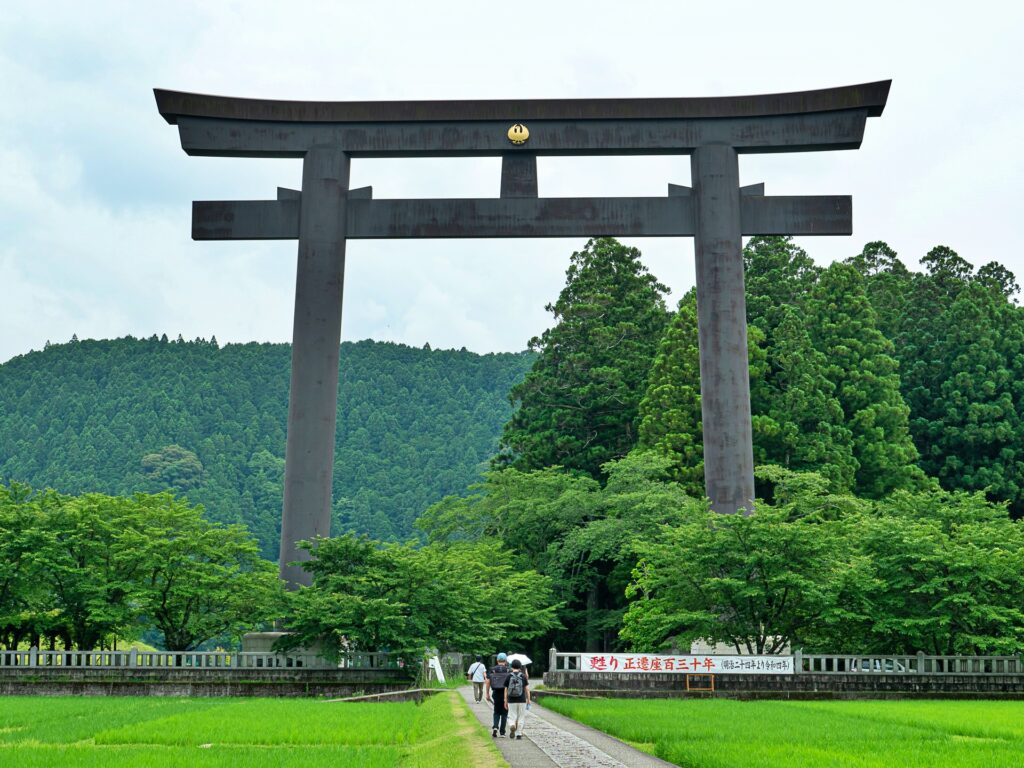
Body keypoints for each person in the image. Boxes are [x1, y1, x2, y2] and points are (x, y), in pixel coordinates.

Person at [484, 652, 511, 737]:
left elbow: (488, 682)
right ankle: (502, 732)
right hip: (506, 693)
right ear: (506, 660)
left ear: (497, 660)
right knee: (504, 712)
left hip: (495, 693)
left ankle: (495, 726)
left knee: (496, 711)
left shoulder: (492, 670)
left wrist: (487, 693)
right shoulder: (508, 670)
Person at [504, 658, 530, 740]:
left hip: (511, 700)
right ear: (520, 666)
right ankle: (519, 734)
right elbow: (527, 689)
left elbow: (506, 689)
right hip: (522, 699)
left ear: (512, 666)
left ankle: (512, 725)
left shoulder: (509, 676)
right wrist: (528, 699)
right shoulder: (523, 676)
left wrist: (505, 700)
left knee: (511, 716)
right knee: (521, 717)